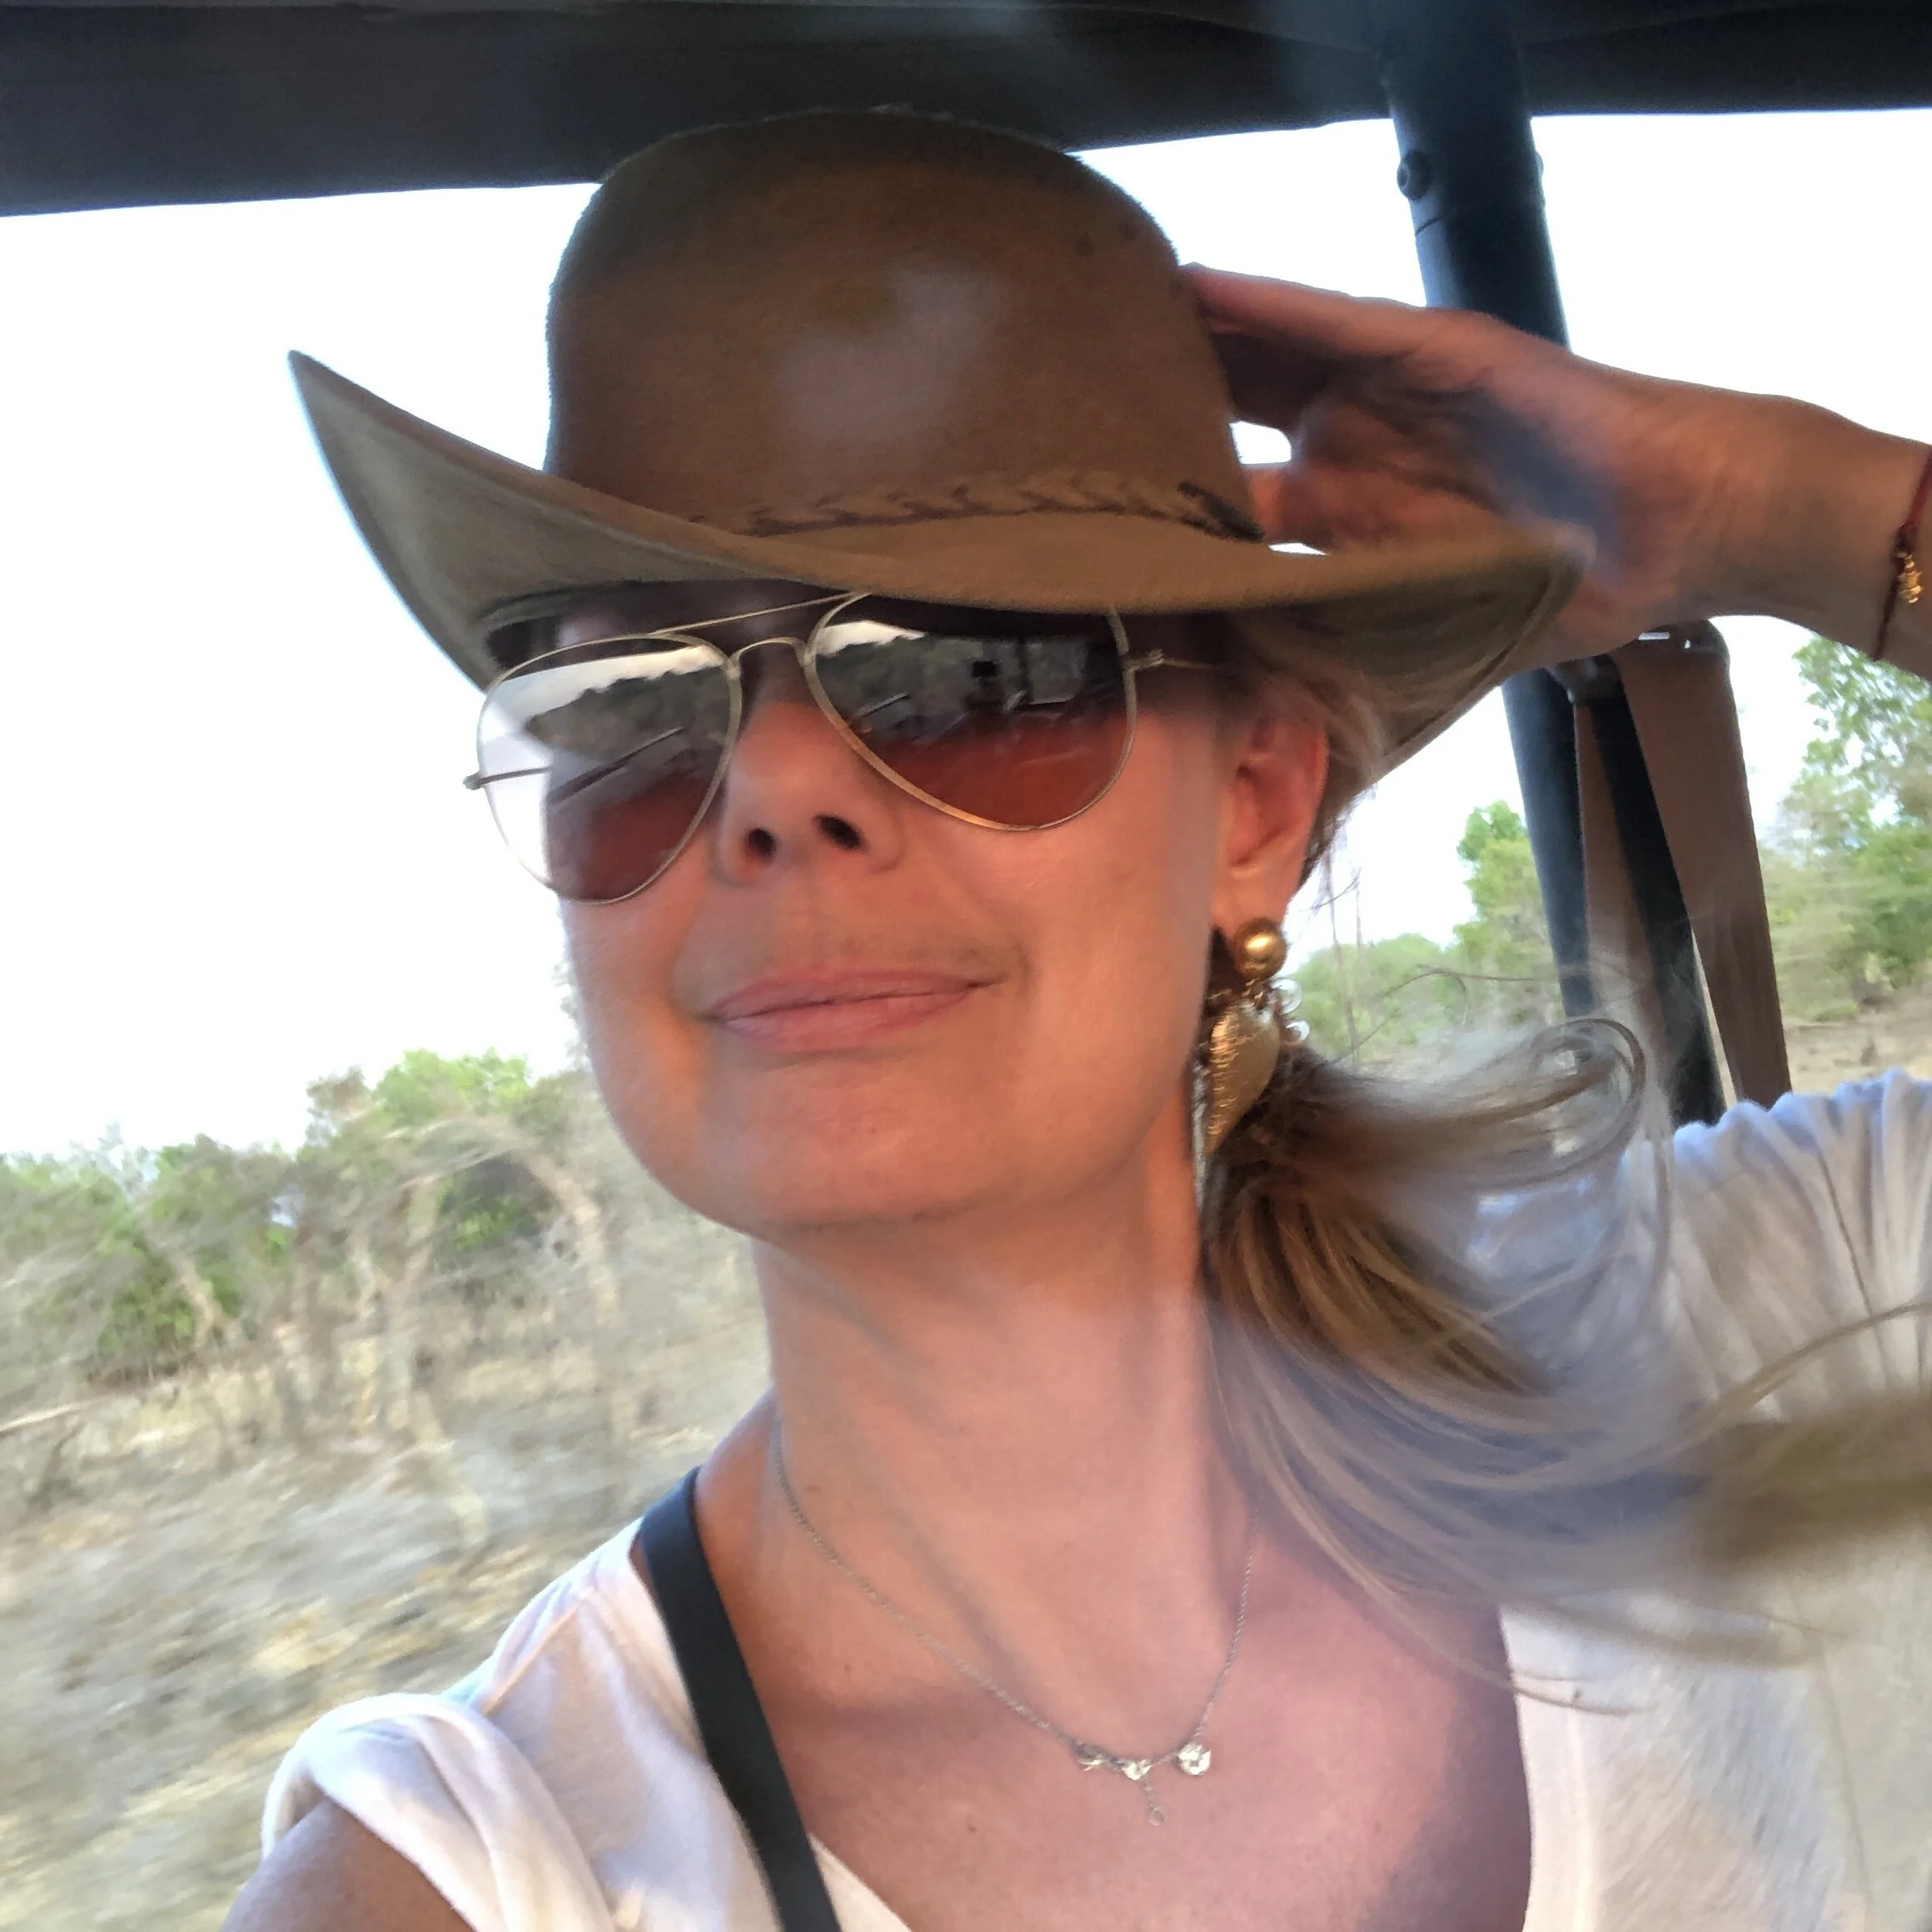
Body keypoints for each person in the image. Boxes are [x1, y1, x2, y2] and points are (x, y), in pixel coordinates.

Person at [227, 112, 1932, 1932]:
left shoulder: (1774, 1326)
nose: (771, 794)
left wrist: (1800, 516)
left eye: (966, 670)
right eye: (627, 703)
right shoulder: (499, 1868)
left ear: (1256, 803)